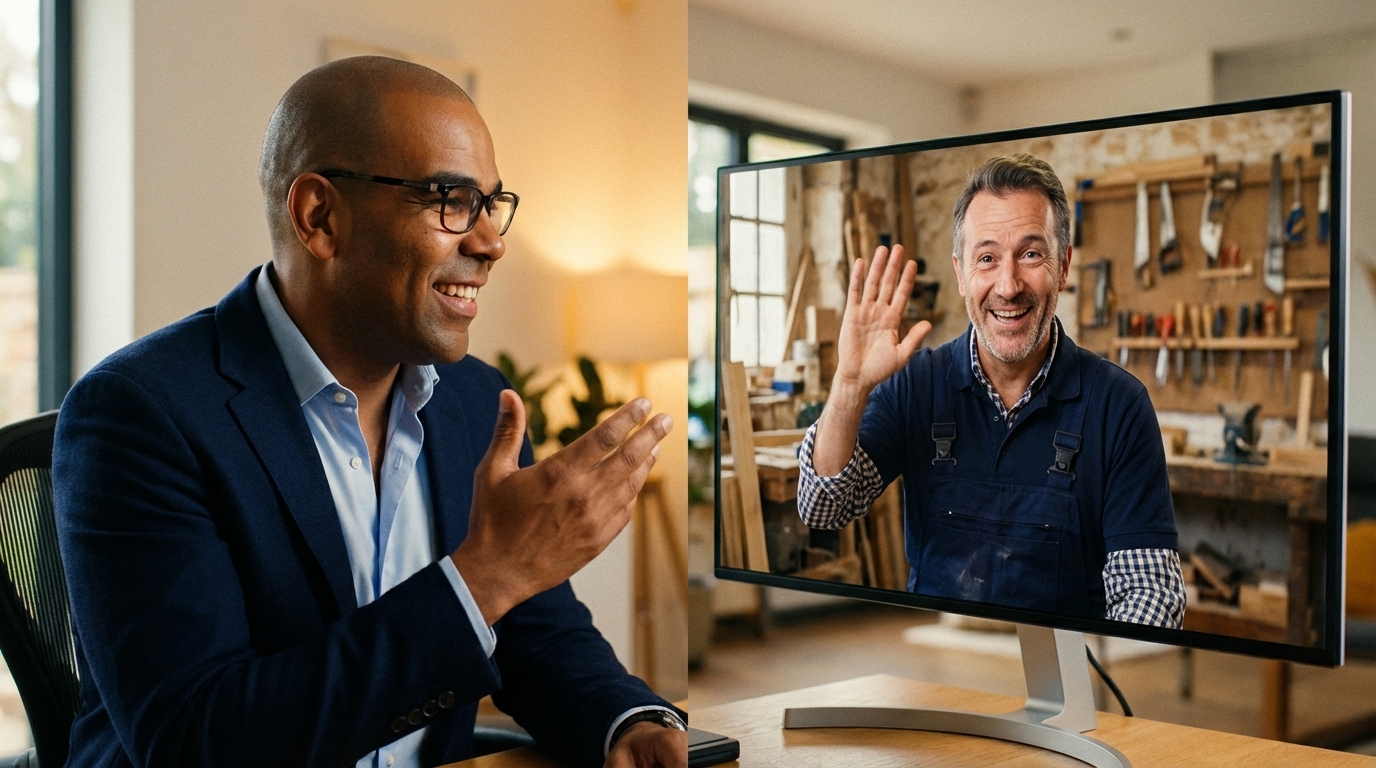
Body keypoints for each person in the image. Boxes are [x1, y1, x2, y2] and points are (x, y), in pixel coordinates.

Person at [53, 57, 686, 767]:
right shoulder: (141, 414)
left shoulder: (478, 399)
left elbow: (537, 629)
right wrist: (488, 574)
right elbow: (197, 740)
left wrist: (627, 720)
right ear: (321, 217)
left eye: (490, 203)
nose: (489, 242)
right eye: (449, 199)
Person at [796, 153, 1185, 628]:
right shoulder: (917, 385)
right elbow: (822, 507)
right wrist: (849, 386)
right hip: (937, 674)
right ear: (961, 275)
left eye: (1030, 254)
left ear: (1063, 267)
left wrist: (1086, 682)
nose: (1008, 285)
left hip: (1065, 681)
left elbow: (1150, 591)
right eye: (987, 258)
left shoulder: (1118, 405)